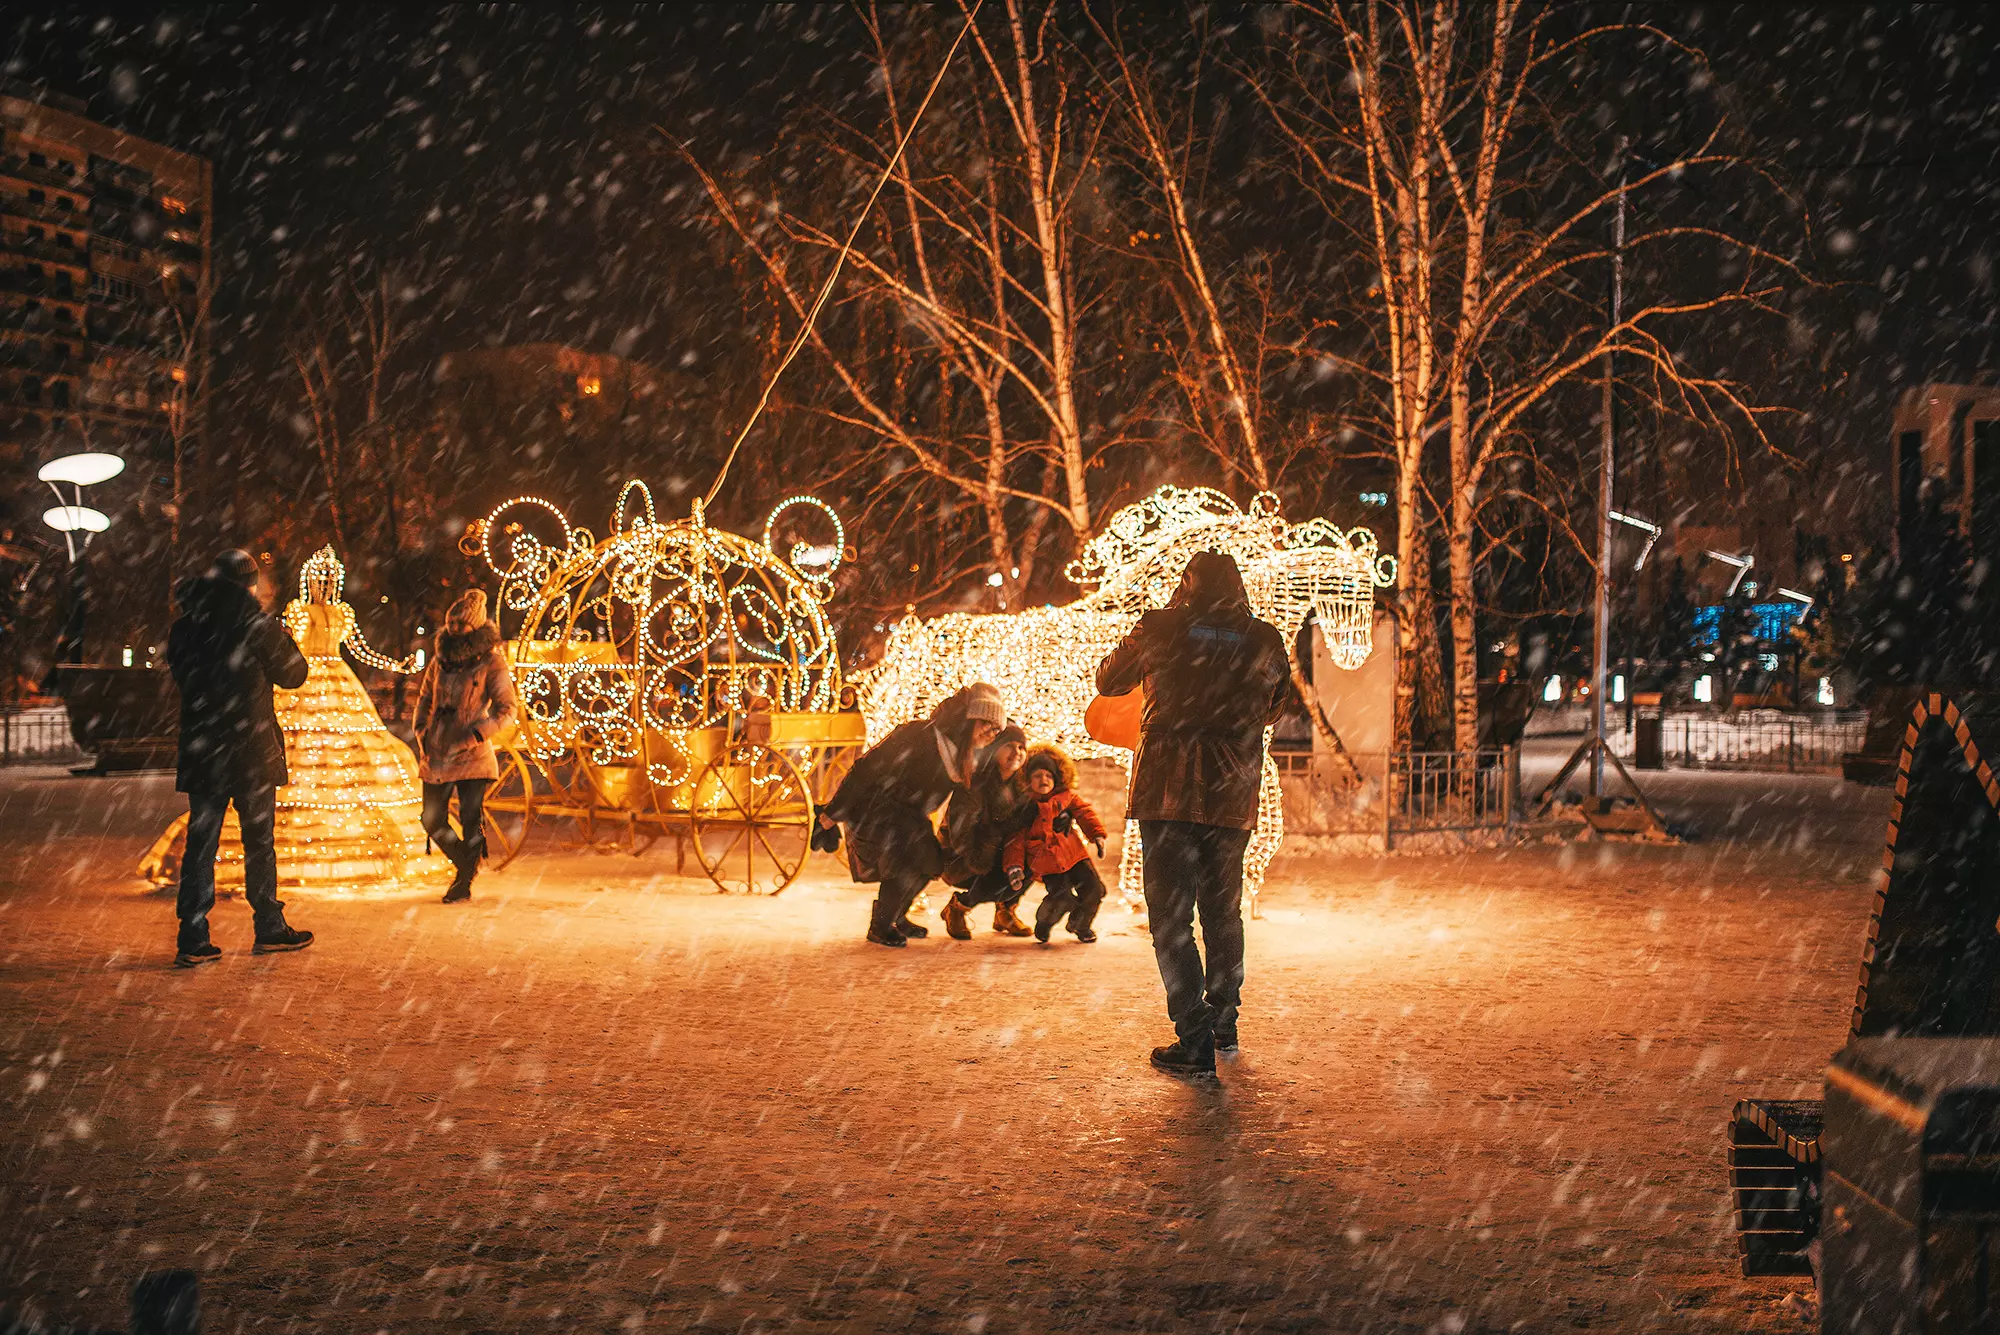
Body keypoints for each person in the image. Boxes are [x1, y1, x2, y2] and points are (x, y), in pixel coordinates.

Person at [1095, 551, 1291, 1076]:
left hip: (1168, 791)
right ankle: (1223, 1022)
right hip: (1232, 792)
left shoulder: (1159, 626)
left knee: (1171, 919)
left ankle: (1194, 1035)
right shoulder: (1264, 639)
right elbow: (1276, 707)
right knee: (1223, 913)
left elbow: (1108, 681)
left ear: (1187, 584)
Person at [167, 549, 313, 967]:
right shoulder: (257, 626)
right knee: (258, 843)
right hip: (252, 752)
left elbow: (184, 679)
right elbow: (294, 675)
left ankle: (193, 933)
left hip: (204, 752)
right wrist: (282, 637)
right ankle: (268, 925)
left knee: (201, 843)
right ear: (249, 586)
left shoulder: (186, 628)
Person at [817, 683, 1006, 946]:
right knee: (904, 864)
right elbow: (866, 768)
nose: (991, 732)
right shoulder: (919, 735)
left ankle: (897, 915)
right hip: (876, 809)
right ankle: (881, 926)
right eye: (986, 722)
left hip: (909, 817)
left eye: (996, 728)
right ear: (968, 719)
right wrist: (831, 814)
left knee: (931, 864)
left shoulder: (964, 756)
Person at [412, 589, 519, 903]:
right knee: (431, 818)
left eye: (461, 626)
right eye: (451, 625)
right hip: (437, 748)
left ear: (475, 628)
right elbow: (425, 698)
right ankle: (465, 861)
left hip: (472, 751)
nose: (455, 631)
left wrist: (476, 734)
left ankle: (462, 882)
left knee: (472, 816)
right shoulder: (439, 659)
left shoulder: (491, 661)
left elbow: (507, 709)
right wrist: (421, 730)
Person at [1004, 743, 1110, 944]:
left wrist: (1097, 835)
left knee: (1094, 889)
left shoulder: (1067, 798)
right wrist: (1014, 867)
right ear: (1028, 780)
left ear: (1057, 778)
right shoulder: (1025, 807)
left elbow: (1085, 813)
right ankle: (1044, 923)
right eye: (1037, 776)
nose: (1043, 780)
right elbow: (1015, 841)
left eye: (1048, 776)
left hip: (1074, 855)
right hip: (1047, 862)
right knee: (1061, 898)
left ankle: (1081, 924)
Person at [938, 725, 1037, 940]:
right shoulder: (975, 783)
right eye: (1009, 746)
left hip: (999, 850)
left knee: (1038, 856)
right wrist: (985, 859)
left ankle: (1005, 911)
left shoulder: (1023, 786)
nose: (1017, 752)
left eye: (1021, 747)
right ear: (994, 749)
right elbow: (960, 832)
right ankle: (958, 907)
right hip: (964, 856)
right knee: (1002, 873)